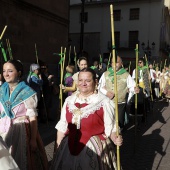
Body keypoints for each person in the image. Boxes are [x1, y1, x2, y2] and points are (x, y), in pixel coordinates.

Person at [51, 68, 123, 170]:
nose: (83, 83)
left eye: (88, 81)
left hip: (95, 151)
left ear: (95, 82)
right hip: (68, 149)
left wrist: (116, 138)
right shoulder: (69, 101)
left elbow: (110, 128)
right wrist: (58, 148)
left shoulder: (104, 102)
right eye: (80, 80)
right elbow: (63, 126)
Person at [0, 60, 48, 170]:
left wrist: (32, 140)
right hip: (2, 131)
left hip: (21, 132)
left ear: (19, 73)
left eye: (10, 71)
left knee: (19, 162)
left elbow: (32, 117)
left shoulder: (27, 92)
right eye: (4, 71)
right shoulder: (1, 91)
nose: (6, 74)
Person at [98, 56, 138, 130]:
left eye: (117, 62)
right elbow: (99, 87)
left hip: (120, 103)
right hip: (108, 103)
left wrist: (134, 89)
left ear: (121, 63)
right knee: (108, 122)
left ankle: (119, 138)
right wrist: (106, 92)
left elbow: (132, 86)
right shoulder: (105, 74)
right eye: (113, 62)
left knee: (119, 123)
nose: (114, 64)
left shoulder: (126, 75)